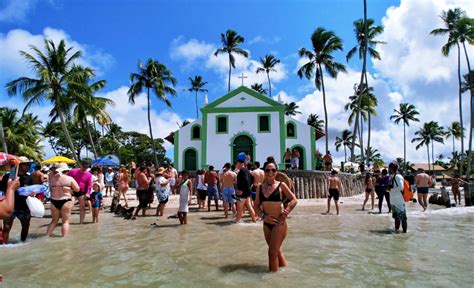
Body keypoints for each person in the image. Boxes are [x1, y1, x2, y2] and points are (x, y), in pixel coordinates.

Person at [253, 161, 298, 272]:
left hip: (279, 223)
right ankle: (283, 272)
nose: (270, 172)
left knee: (271, 253)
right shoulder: (260, 187)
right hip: (266, 224)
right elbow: (256, 206)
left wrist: (286, 213)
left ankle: (272, 280)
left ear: (276, 172)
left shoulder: (281, 185)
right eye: (268, 170)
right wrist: (263, 216)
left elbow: (294, 200)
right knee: (276, 251)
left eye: (273, 170)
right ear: (264, 172)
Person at [2, 157, 33, 243]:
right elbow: (2, 190)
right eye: (25, 164)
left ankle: (23, 243)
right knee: (7, 227)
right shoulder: (8, 177)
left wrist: (32, 193)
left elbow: (32, 190)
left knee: (26, 226)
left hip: (24, 206)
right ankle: (4, 245)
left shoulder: (28, 178)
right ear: (19, 165)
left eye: (28, 164)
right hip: (10, 206)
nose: (27, 166)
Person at [46, 163, 80, 237]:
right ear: (66, 170)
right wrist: (70, 189)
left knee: (54, 221)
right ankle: (64, 239)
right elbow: (77, 189)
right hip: (65, 200)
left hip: (54, 201)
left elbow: (50, 173)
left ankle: (47, 236)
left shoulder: (51, 178)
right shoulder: (69, 179)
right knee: (65, 222)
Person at [235, 153, 256, 223]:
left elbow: (247, 181)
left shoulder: (242, 171)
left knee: (239, 209)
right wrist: (249, 189)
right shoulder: (247, 171)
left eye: (237, 163)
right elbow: (252, 179)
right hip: (247, 193)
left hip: (242, 194)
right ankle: (254, 221)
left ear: (240, 163)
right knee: (250, 207)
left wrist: (241, 190)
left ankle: (236, 223)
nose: (236, 165)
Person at [388, 162, 407, 233]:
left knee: (403, 218)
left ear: (391, 168)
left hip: (399, 201)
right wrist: (389, 189)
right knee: (396, 218)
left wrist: (390, 190)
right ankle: (397, 232)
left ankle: (404, 232)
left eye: (389, 168)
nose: (389, 169)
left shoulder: (398, 176)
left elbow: (401, 187)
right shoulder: (393, 176)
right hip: (394, 201)